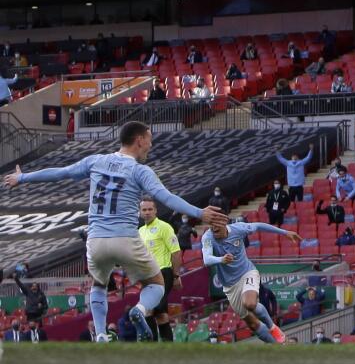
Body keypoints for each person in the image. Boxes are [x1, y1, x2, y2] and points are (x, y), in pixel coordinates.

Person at [2, 121, 227, 342]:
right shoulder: (140, 170)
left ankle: (100, 334)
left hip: (96, 240)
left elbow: (61, 173)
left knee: (98, 286)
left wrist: (23, 177)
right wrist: (199, 212)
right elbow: (166, 197)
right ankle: (140, 309)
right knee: (157, 285)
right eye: (149, 140)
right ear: (139, 140)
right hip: (125, 238)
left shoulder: (96, 161)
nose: (150, 145)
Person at [203, 219, 299, 344]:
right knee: (253, 324)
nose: (213, 228)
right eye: (211, 225)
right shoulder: (208, 237)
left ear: (224, 222)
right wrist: (221, 259)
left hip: (247, 273)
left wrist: (284, 232)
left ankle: (273, 327)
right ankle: (277, 346)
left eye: (216, 224)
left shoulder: (239, 229)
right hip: (230, 286)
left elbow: (259, 225)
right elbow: (206, 259)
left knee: (249, 303)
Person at [137, 198, 182, 341]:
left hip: (163, 273)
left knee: (149, 309)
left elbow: (176, 252)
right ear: (140, 212)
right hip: (147, 276)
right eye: (144, 210)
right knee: (161, 314)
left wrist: (176, 276)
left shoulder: (164, 227)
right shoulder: (140, 231)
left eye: (150, 209)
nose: (147, 212)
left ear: (156, 210)